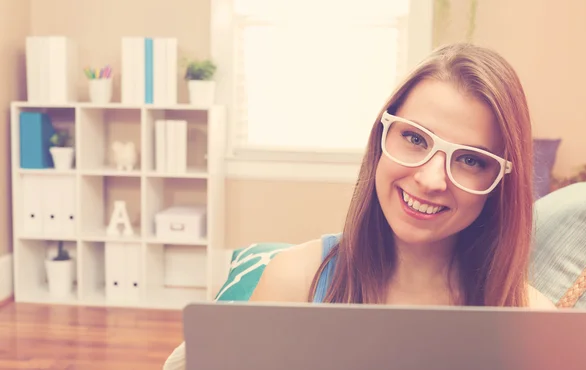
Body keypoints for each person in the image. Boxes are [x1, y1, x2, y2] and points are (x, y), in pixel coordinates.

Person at [163, 42, 554, 370]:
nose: (431, 180)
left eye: (471, 159)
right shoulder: (293, 282)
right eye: (415, 139)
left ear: (500, 180)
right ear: (381, 138)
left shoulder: (533, 323)